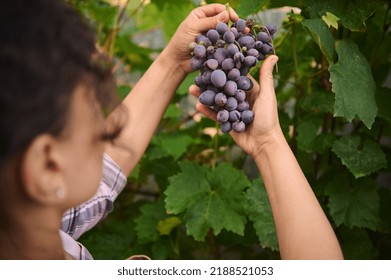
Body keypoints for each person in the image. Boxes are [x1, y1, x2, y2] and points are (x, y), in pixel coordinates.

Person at [0, 0, 343, 260]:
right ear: (47, 166)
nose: (112, 124)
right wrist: (270, 143)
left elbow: (105, 164)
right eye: (95, 112)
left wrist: (174, 63)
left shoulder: (29, 221)